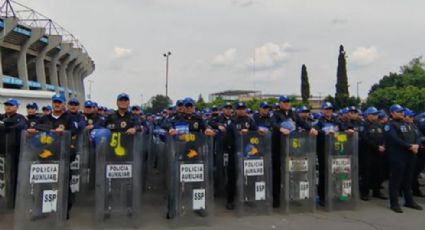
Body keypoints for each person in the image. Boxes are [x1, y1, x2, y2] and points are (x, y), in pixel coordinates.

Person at [270, 95, 317, 208]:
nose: (287, 104)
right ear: (280, 103)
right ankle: (276, 199)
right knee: (277, 174)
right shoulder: (275, 114)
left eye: (288, 102)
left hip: (292, 148)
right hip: (278, 147)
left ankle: (293, 196)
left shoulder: (293, 114)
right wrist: (280, 129)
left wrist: (311, 128)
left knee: (294, 173)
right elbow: (273, 124)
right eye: (284, 102)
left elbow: (302, 123)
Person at [384, 104, 422, 213]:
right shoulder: (390, 125)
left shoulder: (410, 124)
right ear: (392, 113)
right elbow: (395, 139)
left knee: (408, 179)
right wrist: (410, 146)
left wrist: (416, 145)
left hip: (411, 155)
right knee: (396, 180)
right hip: (398, 156)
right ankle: (394, 203)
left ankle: (409, 201)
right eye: (398, 111)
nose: (401, 113)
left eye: (402, 111)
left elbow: (417, 136)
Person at [225, 102, 258, 209]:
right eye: (239, 109)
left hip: (247, 153)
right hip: (234, 152)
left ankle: (248, 198)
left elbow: (255, 132)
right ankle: (230, 200)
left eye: (243, 108)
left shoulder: (250, 120)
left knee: (248, 176)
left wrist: (249, 132)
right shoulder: (232, 121)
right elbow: (231, 134)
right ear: (235, 110)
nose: (241, 110)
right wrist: (240, 132)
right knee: (232, 177)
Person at [0, 98, 27, 208]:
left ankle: (14, 201)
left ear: (16, 107)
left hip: (15, 152)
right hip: (1, 152)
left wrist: (4, 125)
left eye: (11, 105)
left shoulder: (20, 118)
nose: (8, 107)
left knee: (14, 175)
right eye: (6, 105)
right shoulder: (1, 116)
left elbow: (19, 127)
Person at [314, 101, 340, 206]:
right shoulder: (319, 122)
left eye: (330, 109)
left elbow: (343, 128)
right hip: (323, 151)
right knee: (324, 174)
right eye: (326, 109)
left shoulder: (336, 120)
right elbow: (315, 131)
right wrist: (325, 132)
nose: (329, 111)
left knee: (335, 173)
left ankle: (334, 194)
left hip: (335, 150)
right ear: (322, 110)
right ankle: (322, 197)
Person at [360, 107, 387, 201]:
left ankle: (377, 191)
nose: (376, 116)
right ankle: (365, 192)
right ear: (369, 115)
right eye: (374, 114)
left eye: (377, 114)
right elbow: (365, 139)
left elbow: (384, 136)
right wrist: (377, 147)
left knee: (378, 172)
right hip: (368, 153)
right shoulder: (364, 125)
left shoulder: (379, 124)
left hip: (379, 153)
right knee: (367, 173)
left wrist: (383, 145)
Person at [413, 113, 425, 197]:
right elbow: (417, 135)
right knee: (416, 171)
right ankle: (414, 189)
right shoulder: (420, 118)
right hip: (420, 149)